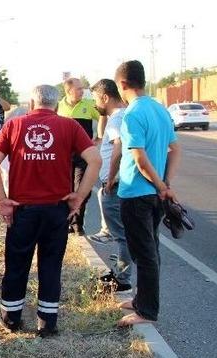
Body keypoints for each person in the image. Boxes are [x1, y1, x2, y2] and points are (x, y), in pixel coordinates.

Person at [0, 84, 102, 337]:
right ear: (57, 104)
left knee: (16, 264)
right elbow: (95, 159)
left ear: (31, 103)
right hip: (56, 210)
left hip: (22, 211)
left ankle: (11, 319)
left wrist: (0, 199)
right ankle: (47, 323)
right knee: (51, 265)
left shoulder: (14, 125)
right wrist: (79, 196)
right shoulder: (69, 126)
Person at [113, 60, 181, 327]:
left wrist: (162, 185)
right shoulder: (159, 109)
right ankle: (142, 300)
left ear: (122, 84)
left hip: (136, 194)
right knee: (150, 247)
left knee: (145, 252)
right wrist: (165, 184)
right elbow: (175, 150)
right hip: (154, 193)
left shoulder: (132, 114)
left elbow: (139, 159)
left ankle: (147, 312)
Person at [89, 79, 132, 292]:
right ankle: (120, 273)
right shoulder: (123, 115)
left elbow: (119, 147)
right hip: (124, 183)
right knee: (125, 233)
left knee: (121, 235)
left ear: (105, 97)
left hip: (115, 185)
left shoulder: (116, 119)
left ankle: (122, 280)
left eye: (97, 99)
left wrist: (111, 178)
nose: (96, 104)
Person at [57, 77, 101, 235]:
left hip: (83, 156)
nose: (82, 91)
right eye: (79, 89)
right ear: (68, 91)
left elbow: (104, 115)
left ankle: (77, 223)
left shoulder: (88, 105)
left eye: (82, 88)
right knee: (64, 190)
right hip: (63, 157)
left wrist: (99, 137)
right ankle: (66, 222)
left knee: (83, 189)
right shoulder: (58, 107)